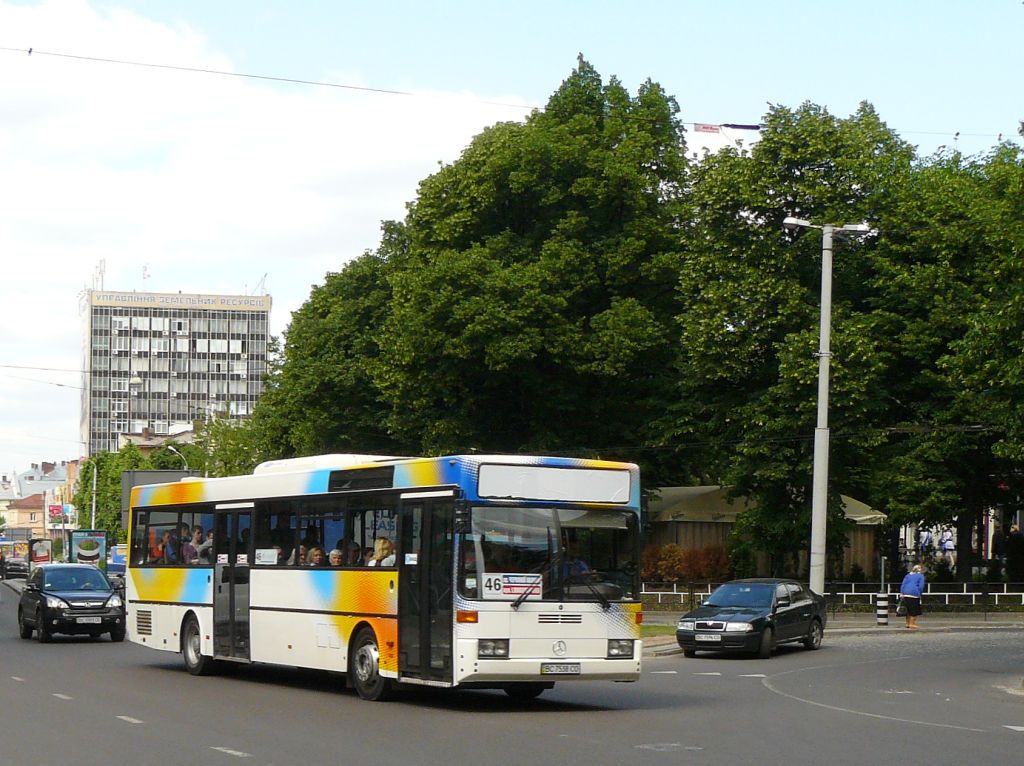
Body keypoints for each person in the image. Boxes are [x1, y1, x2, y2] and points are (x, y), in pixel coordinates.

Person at [899, 564, 926, 630]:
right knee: (914, 609)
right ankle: (912, 624)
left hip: (905, 593)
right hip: (914, 593)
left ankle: (907, 623)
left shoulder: (907, 576)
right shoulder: (920, 576)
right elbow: (921, 586)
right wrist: (920, 593)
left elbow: (903, 584)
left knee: (907, 609)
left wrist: (902, 593)